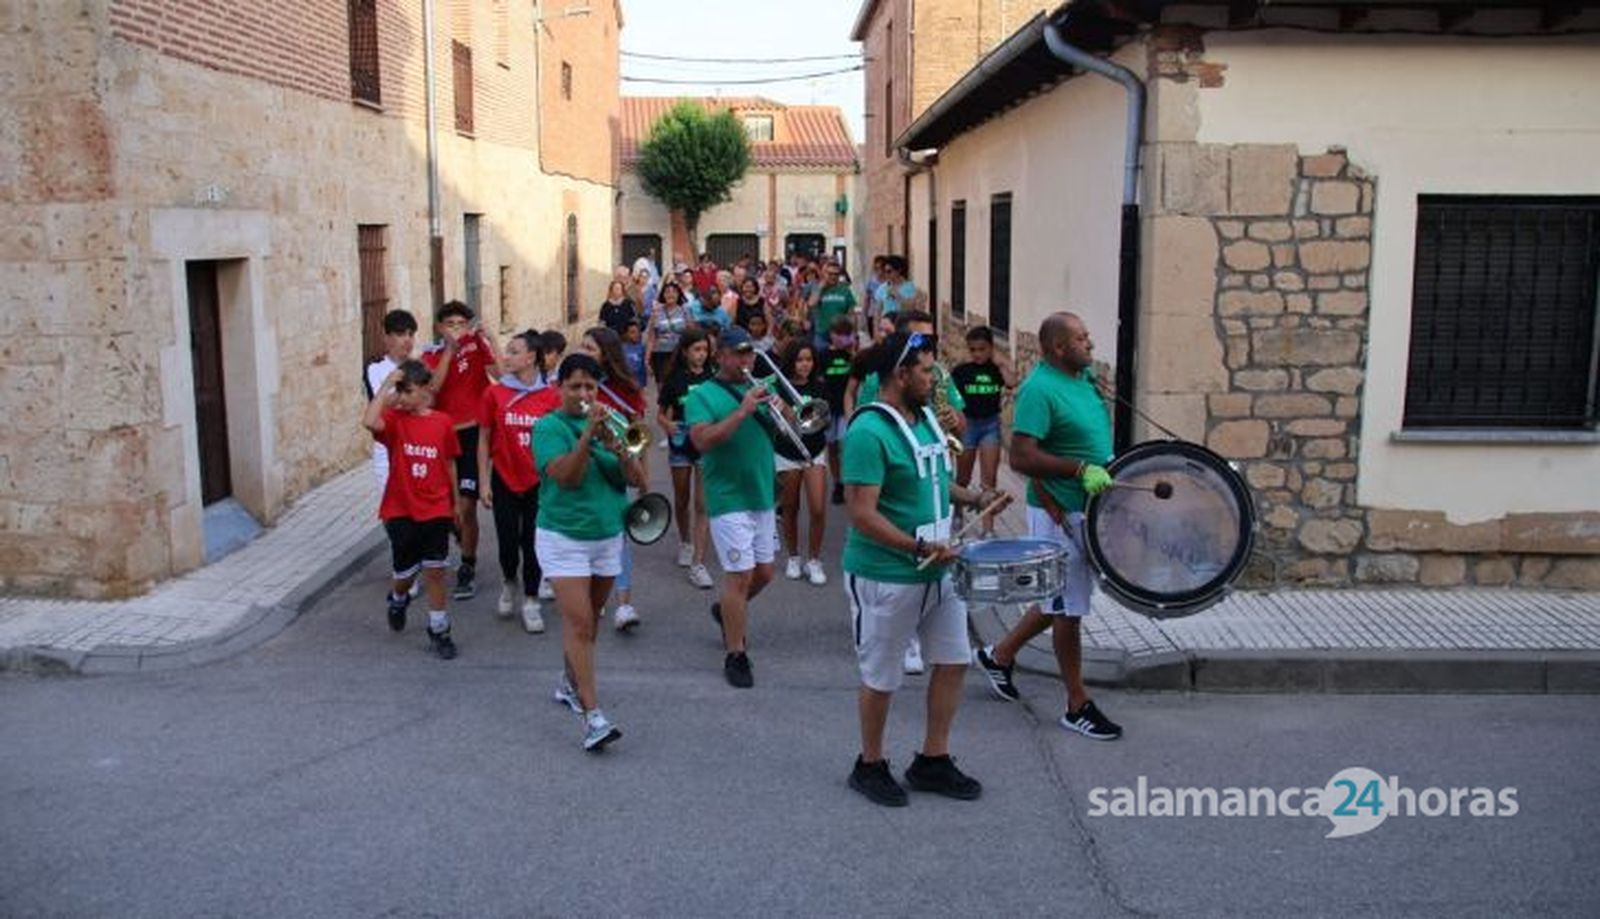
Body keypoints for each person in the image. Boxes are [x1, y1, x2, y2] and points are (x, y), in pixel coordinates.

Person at [840, 331, 1005, 807]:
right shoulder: (868, 431)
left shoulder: (927, 418)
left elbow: (935, 479)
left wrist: (976, 497)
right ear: (900, 374)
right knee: (882, 675)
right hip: (886, 574)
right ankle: (869, 764)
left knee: (953, 661)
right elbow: (861, 513)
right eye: (927, 371)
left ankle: (933, 759)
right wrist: (915, 546)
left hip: (938, 569)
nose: (935, 379)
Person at [974, 312, 1123, 741]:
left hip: (1085, 509)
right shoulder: (1039, 390)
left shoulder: (1083, 379)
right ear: (1059, 347)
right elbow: (1021, 456)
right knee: (1068, 610)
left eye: (1087, 336)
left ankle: (999, 656)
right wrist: (1078, 471)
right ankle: (1077, 705)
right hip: (1060, 513)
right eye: (1081, 338)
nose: (1090, 343)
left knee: (1059, 598)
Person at [533, 353, 648, 752]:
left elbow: (638, 480)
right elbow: (567, 476)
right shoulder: (548, 427)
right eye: (575, 386)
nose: (583, 394)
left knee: (590, 623)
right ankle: (593, 718)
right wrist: (587, 437)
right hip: (563, 537)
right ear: (559, 388)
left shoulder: (611, 425)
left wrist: (621, 450)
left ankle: (569, 683)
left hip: (607, 535)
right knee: (580, 624)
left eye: (590, 387)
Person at [685, 326, 787, 689]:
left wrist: (783, 410)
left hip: (762, 491)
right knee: (740, 574)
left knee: (765, 573)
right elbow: (702, 440)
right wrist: (742, 411)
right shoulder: (702, 395)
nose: (748, 360)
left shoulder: (764, 387)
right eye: (740, 353)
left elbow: (790, 427)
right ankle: (736, 653)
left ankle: (728, 610)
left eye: (751, 353)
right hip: (727, 495)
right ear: (721, 356)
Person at [362, 360, 460, 661]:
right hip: (401, 508)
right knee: (406, 573)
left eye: (408, 391)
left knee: (435, 570)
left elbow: (449, 463)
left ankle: (439, 628)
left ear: (425, 390)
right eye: (400, 391)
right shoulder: (395, 421)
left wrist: (454, 503)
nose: (402, 397)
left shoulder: (442, 422)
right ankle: (398, 597)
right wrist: (386, 386)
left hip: (436, 506)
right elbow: (369, 421)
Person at [477, 331, 560, 634]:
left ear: (531, 358)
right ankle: (509, 579)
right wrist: (484, 481)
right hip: (504, 478)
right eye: (507, 351)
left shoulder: (551, 396)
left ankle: (531, 599)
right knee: (508, 541)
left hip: (539, 482)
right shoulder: (495, 394)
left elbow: (561, 438)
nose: (507, 356)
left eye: (514, 351)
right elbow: (484, 438)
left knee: (534, 542)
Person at [421, 301, 501, 601]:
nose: (456, 329)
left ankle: (467, 565)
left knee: (467, 505)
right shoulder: (431, 355)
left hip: (471, 434)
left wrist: (491, 340)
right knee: (446, 507)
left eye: (461, 324)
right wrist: (449, 352)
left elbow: (500, 375)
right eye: (450, 324)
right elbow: (432, 391)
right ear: (440, 328)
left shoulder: (477, 346)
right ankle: (456, 534)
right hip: (442, 435)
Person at [580, 326, 648, 632]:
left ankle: (624, 604)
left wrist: (642, 476)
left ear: (606, 356)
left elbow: (639, 435)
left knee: (618, 538)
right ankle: (594, 594)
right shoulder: (573, 385)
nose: (583, 352)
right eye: (582, 346)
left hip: (617, 469)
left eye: (590, 348)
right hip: (583, 469)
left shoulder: (625, 389)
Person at [656, 327, 717, 590]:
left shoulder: (714, 376)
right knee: (682, 499)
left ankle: (698, 563)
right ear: (685, 351)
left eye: (704, 349)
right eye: (696, 349)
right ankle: (685, 542)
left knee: (703, 504)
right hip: (681, 444)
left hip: (706, 443)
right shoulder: (675, 379)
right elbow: (661, 414)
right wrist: (667, 425)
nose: (701, 354)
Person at [773, 340, 830, 586]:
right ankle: (794, 557)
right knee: (790, 507)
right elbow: (777, 424)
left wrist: (794, 412)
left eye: (808, 359)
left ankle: (814, 560)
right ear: (790, 362)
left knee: (817, 508)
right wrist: (782, 409)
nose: (805, 364)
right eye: (799, 360)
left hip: (814, 451)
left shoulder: (820, 386)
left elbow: (822, 421)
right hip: (787, 452)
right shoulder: (778, 387)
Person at [951, 325, 1017, 535]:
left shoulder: (996, 370)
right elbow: (952, 398)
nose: (977, 354)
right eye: (973, 349)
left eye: (982, 349)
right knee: (963, 477)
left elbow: (1012, 382)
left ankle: (988, 529)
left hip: (990, 425)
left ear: (991, 348)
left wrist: (1001, 361)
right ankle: (957, 513)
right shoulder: (961, 371)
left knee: (989, 481)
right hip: (968, 426)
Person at [818, 316, 857, 506]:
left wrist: (853, 351)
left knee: (845, 444)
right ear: (831, 335)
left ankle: (850, 480)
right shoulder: (823, 355)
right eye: (838, 334)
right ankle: (838, 482)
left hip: (846, 407)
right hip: (829, 406)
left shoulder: (852, 355)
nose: (841, 338)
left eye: (845, 334)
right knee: (832, 447)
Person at [645, 281, 691, 384]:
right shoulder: (656, 312)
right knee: (662, 384)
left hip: (679, 353)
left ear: (678, 294)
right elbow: (651, 337)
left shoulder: (684, 311)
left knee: (679, 384)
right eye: (667, 292)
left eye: (674, 292)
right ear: (663, 295)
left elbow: (690, 334)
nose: (671, 294)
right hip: (660, 353)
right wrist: (647, 359)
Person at [809, 261, 857, 352]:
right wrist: (821, 287)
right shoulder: (819, 288)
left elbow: (851, 313)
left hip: (841, 333)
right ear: (824, 274)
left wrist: (853, 334)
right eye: (830, 274)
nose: (833, 277)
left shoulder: (845, 290)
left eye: (836, 274)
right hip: (823, 332)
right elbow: (811, 304)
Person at [871, 255, 924, 323]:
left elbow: (914, 309)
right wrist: (876, 328)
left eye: (889, 271)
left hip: (904, 325)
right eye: (884, 271)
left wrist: (898, 297)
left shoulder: (910, 287)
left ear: (898, 270)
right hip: (887, 325)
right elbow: (877, 312)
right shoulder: (882, 288)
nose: (886, 274)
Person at [621, 319, 648, 389]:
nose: (636, 335)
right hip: (626, 383)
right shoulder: (621, 349)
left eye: (638, 332)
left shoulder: (642, 347)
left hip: (640, 383)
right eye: (632, 332)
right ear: (625, 334)